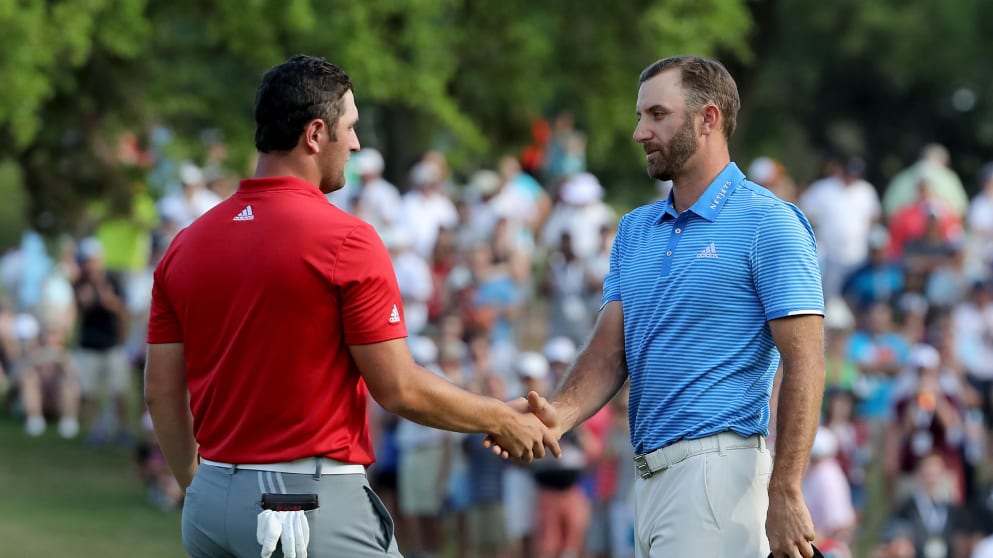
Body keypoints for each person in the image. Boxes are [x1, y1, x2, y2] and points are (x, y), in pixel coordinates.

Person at [144, 55, 559, 558]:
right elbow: (399, 387)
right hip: (307, 505)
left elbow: (160, 392)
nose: (357, 144)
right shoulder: (347, 240)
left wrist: (198, 483)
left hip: (212, 507)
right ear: (316, 134)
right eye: (352, 128)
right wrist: (500, 417)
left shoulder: (186, 244)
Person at [496, 55, 826, 558]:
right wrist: (557, 415)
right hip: (649, 480)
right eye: (639, 116)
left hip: (719, 477)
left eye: (656, 115)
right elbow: (609, 352)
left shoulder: (770, 222)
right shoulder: (633, 229)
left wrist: (786, 487)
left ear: (708, 119)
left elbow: (806, 362)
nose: (639, 132)